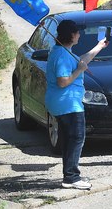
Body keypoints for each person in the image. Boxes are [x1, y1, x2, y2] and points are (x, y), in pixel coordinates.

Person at [46, 19, 108, 190]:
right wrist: (79, 70)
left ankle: (69, 175)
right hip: (68, 103)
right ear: (72, 35)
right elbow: (63, 81)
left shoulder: (62, 50)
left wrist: (99, 47)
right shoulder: (61, 56)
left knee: (69, 139)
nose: (79, 35)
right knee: (76, 138)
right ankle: (72, 177)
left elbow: (80, 60)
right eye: (78, 33)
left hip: (63, 102)